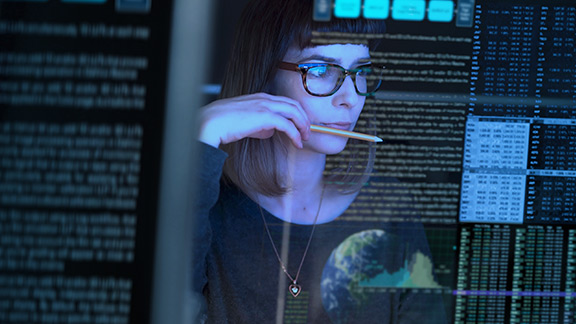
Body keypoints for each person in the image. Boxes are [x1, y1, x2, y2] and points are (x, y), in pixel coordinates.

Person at [192, 0, 446, 322]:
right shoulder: (207, 206)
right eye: (321, 69)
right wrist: (202, 136)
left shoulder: (390, 208)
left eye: (361, 71)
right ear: (264, 73)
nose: (350, 99)